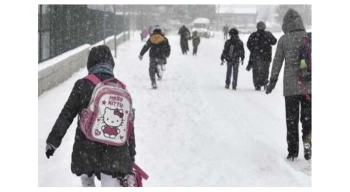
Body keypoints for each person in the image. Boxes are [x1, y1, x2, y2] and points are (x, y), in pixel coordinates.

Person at [45, 45, 137, 187]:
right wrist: (130, 156)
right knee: (110, 182)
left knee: (87, 177)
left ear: (90, 63)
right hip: (114, 152)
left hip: (86, 149)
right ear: (110, 64)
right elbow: (128, 126)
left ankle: (88, 181)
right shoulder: (119, 88)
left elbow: (67, 114)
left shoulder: (82, 85)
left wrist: (53, 141)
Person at [265, 9, 312, 161]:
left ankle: (292, 152)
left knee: (292, 120)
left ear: (285, 24)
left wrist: (273, 80)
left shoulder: (284, 40)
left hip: (291, 87)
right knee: (307, 119)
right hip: (308, 87)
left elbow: (277, 61)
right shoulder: (308, 38)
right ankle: (308, 146)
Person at [247, 21, 277, 91]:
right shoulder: (268, 34)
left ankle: (257, 85)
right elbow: (274, 41)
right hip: (266, 56)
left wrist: (253, 50)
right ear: (264, 27)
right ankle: (265, 82)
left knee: (256, 71)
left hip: (256, 56)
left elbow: (248, 44)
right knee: (265, 70)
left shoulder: (253, 35)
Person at [139, 25, 171, 89]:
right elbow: (168, 48)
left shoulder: (151, 38)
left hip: (153, 56)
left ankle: (153, 83)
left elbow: (146, 47)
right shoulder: (165, 39)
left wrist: (141, 54)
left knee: (151, 70)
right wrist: (167, 55)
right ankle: (160, 68)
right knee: (159, 64)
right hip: (161, 56)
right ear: (160, 31)